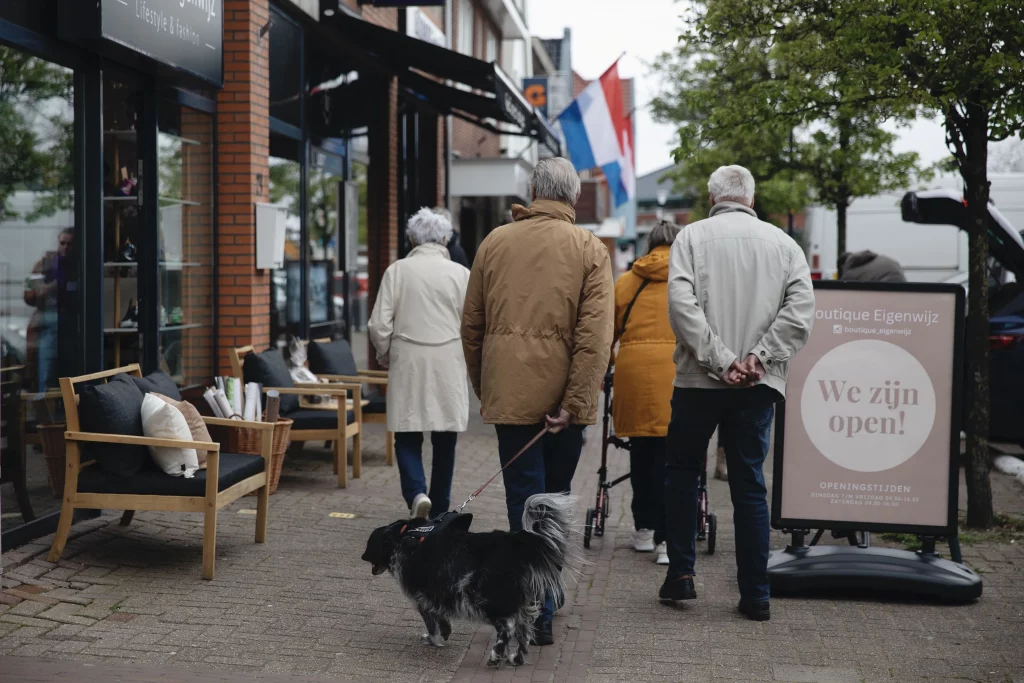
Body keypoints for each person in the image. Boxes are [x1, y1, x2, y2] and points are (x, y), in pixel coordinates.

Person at [461, 157, 614, 645]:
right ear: (572, 197)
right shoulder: (590, 249)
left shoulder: (494, 243)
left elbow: (472, 327)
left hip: (512, 397)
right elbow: (596, 339)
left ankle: (533, 602)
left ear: (532, 191)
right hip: (565, 409)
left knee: (522, 503)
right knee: (555, 500)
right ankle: (545, 601)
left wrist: (490, 388)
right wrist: (574, 402)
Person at [662, 165, 814, 621]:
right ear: (752, 197)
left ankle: (682, 575)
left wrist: (720, 359)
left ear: (712, 197)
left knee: (684, 473)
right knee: (750, 485)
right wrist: (758, 359)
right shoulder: (785, 245)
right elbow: (801, 311)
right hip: (756, 385)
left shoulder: (690, 239)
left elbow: (681, 305)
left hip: (697, 382)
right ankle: (756, 595)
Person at [368, 208, 471, 520]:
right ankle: (439, 510)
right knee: (445, 439)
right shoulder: (460, 274)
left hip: (408, 359)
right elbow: (473, 325)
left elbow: (377, 325)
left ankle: (417, 493)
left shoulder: (397, 271)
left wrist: (385, 355)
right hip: (448, 361)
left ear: (411, 238)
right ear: (444, 239)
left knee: (406, 433)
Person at [610, 220, 680, 566]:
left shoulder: (626, 282)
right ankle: (669, 540)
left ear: (648, 244)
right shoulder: (690, 281)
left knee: (641, 455)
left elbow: (606, 331)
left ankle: (643, 531)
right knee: (674, 459)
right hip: (677, 375)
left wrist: (608, 364)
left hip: (634, 375)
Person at [24, 228, 74, 393]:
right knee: (46, 363)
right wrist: (42, 291)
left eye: (70, 244)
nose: (66, 247)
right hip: (49, 318)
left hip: (70, 319)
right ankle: (45, 397)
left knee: (67, 365)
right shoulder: (46, 263)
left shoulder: (79, 264)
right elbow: (29, 293)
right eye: (63, 243)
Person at [837, 250, 907, 283]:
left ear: (842, 266)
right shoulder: (880, 258)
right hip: (904, 288)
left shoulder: (850, 273)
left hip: (885, 292)